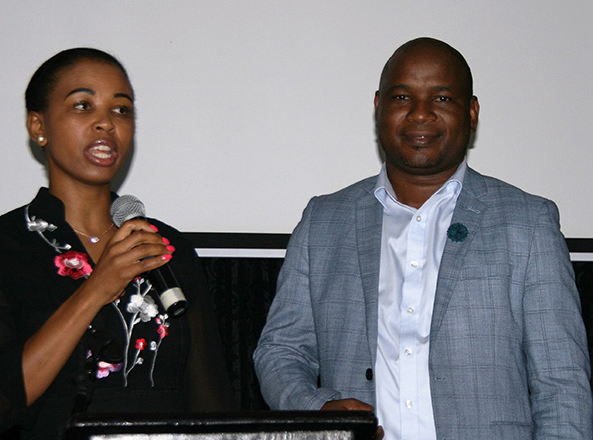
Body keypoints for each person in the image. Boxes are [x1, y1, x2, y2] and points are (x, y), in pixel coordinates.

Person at [253, 37, 592, 439]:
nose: (419, 113)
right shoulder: (323, 221)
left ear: (471, 113)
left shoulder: (528, 223)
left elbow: (562, 383)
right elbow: (281, 350)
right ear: (379, 107)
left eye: (442, 98)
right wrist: (318, 410)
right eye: (402, 97)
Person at [0, 48, 232, 439]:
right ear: (38, 126)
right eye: (83, 106)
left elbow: (211, 404)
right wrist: (96, 289)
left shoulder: (165, 247)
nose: (106, 123)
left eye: (121, 110)